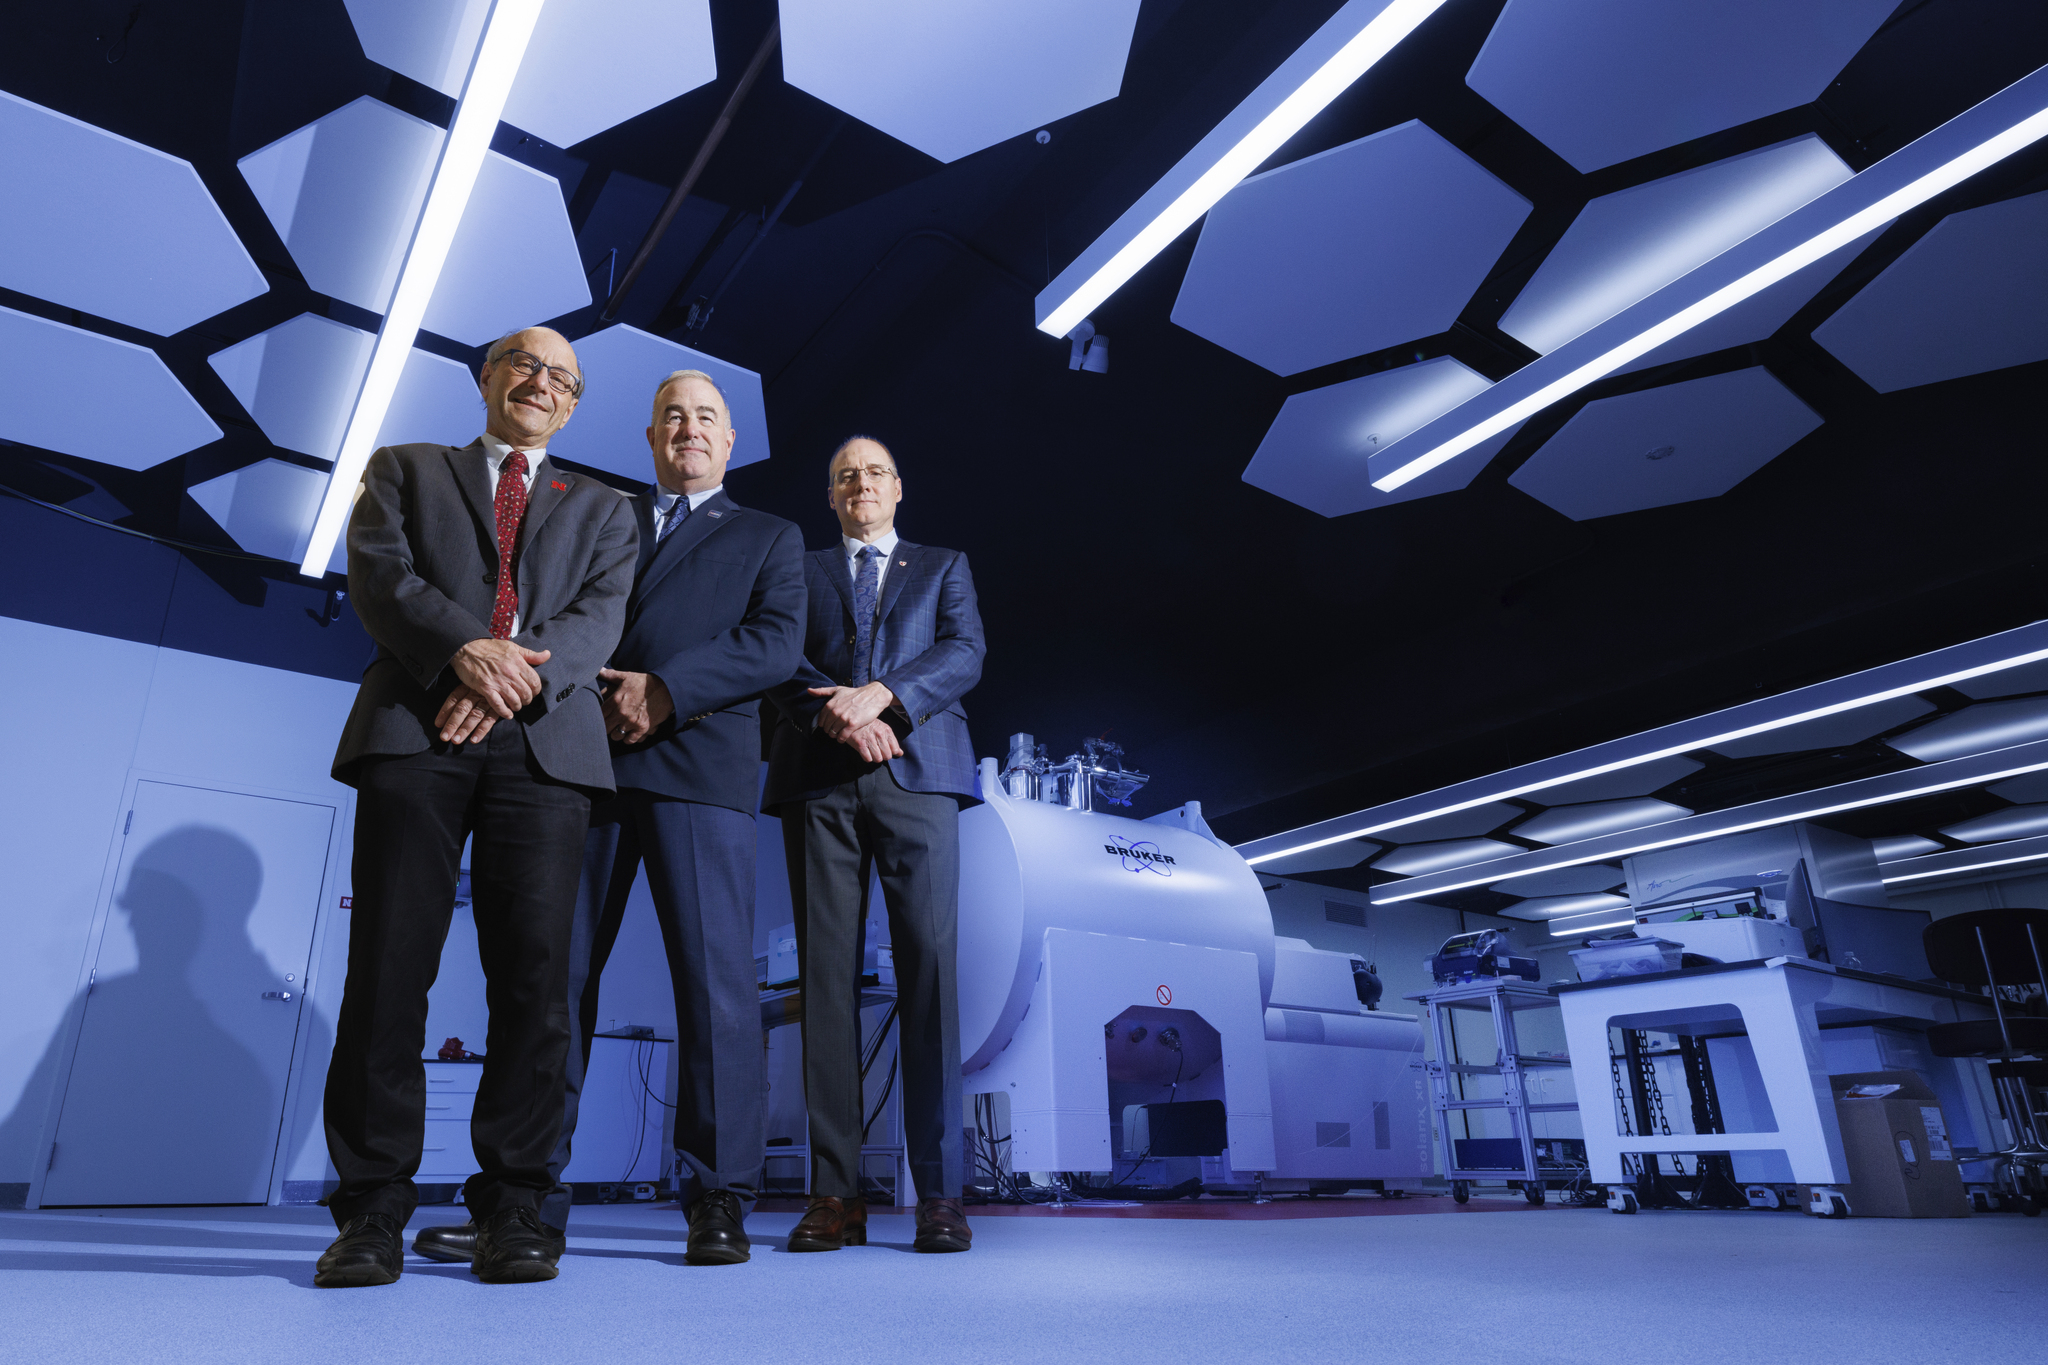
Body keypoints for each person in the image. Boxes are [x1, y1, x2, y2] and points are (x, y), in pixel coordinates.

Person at [411, 369, 804, 1269]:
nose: (688, 428)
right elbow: (553, 613)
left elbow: (774, 642)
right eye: (672, 415)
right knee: (548, 982)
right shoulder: (600, 514)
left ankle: (718, 1198)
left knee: (715, 989)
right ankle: (523, 1199)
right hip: (577, 762)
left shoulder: (769, 536)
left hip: (698, 767)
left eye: (706, 416)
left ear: (730, 440)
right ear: (652, 436)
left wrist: (668, 691)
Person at [317, 327, 636, 1288]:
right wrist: (465, 648)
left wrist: (503, 678)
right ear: (487, 377)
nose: (541, 382)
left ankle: (518, 1205)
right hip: (415, 728)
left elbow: (598, 617)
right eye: (525, 365)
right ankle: (371, 1210)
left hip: (544, 751)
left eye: (562, 377)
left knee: (537, 982)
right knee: (388, 967)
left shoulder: (610, 508)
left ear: (573, 404)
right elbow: (380, 574)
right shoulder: (406, 468)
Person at [764, 436, 986, 1254]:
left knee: (929, 972)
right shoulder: (800, 568)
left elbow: (964, 652)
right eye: (844, 475)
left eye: (876, 471)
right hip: (818, 778)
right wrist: (840, 715)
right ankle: (835, 1193)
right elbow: (779, 654)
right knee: (825, 979)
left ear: (900, 487)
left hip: (921, 775)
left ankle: (941, 1194)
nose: (861, 482)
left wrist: (885, 698)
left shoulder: (944, 565)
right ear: (830, 497)